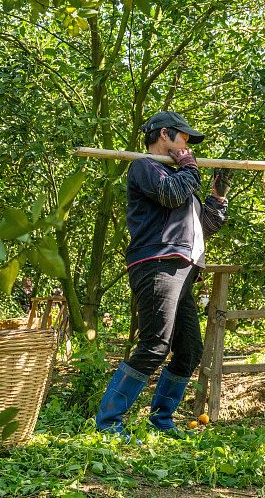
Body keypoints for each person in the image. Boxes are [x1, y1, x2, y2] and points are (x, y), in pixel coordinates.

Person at [95, 111, 233, 439]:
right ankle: (108, 424)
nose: (189, 146)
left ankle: (162, 421)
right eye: (184, 138)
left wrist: (217, 198)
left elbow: (201, 229)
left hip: (183, 269)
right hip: (157, 263)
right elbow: (172, 193)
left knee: (188, 350)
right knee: (156, 343)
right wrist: (189, 168)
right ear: (165, 135)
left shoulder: (177, 177)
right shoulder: (145, 167)